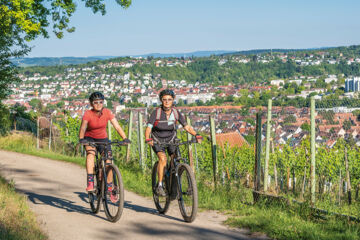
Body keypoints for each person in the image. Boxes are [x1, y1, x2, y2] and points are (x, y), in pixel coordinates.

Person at [145, 89, 202, 196]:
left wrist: (196, 134)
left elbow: (187, 127)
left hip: (171, 139)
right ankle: (160, 185)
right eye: (164, 100)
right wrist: (148, 138)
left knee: (177, 159)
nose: (167, 102)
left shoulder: (176, 113)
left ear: (173, 100)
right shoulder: (156, 113)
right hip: (157, 140)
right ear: (161, 101)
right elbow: (148, 128)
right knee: (163, 159)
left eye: (169, 100)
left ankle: (186, 185)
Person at [79, 92, 130, 197]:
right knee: (91, 154)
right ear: (91, 104)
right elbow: (83, 127)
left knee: (108, 160)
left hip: (103, 139)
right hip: (89, 138)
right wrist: (81, 139)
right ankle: (90, 182)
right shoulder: (88, 114)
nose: (98, 104)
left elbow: (117, 126)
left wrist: (124, 138)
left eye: (101, 102)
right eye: (96, 102)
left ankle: (109, 186)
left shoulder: (107, 112)